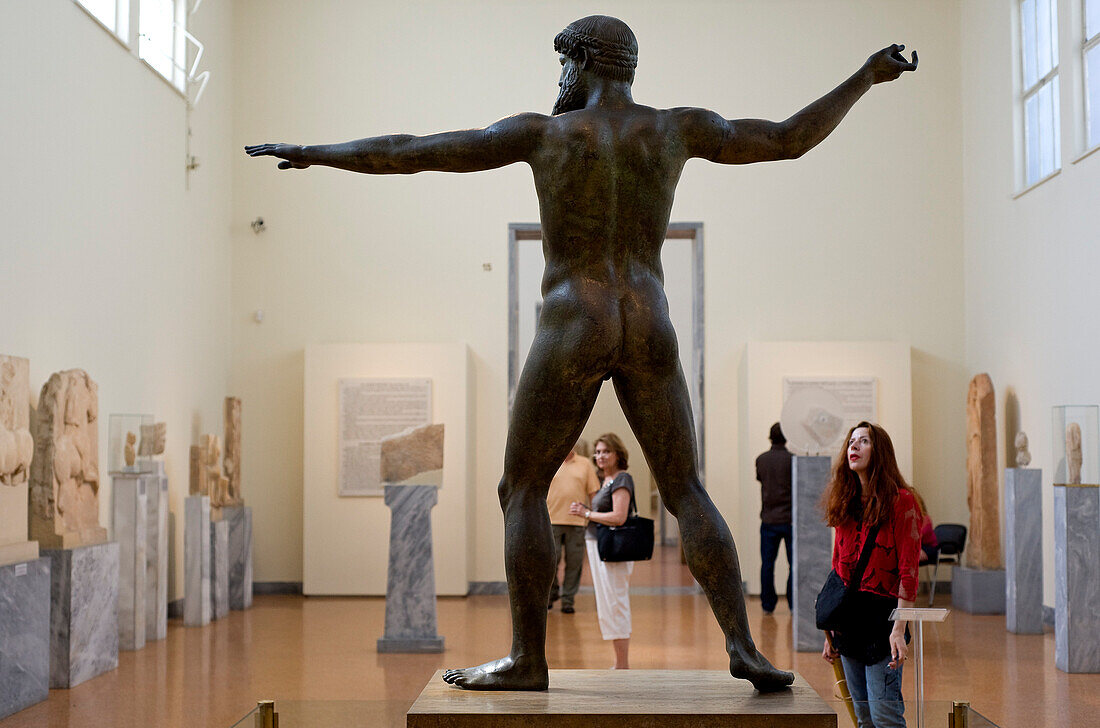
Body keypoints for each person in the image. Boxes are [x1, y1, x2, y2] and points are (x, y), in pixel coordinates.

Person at [246, 15, 916, 691]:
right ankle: (741, 645)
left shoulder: (545, 133)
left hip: (574, 320)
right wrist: (864, 76)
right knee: (686, 488)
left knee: (522, 488)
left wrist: (316, 150)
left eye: (564, 63)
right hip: (648, 318)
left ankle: (527, 658)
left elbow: (416, 149)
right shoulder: (676, 129)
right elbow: (786, 140)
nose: (559, 78)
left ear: (589, 62)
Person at [820, 422, 922, 728]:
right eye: (851, 441)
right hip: (849, 623)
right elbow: (838, 569)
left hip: (883, 622)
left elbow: (908, 571)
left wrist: (898, 628)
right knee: (863, 719)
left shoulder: (901, 502)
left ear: (880, 452)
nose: (853, 447)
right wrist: (832, 631)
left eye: (863, 441)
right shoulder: (845, 503)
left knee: (885, 717)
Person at [568, 433, 635, 669]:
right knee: (608, 605)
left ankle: (622, 664)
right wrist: (587, 510)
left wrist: (586, 514)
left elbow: (618, 517)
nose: (600, 456)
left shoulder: (622, 479)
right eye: (597, 452)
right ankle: (618, 662)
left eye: (605, 451)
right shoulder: (605, 480)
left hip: (613, 550)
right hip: (598, 546)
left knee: (616, 603)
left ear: (618, 454)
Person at [546, 439, 600, 613]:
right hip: (551, 520)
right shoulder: (549, 461)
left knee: (574, 563)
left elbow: (594, 494)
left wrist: (595, 517)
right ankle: (551, 593)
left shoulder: (584, 465)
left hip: (577, 522)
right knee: (550, 562)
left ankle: (568, 599)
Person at [756, 422, 793, 614]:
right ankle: (792, 603)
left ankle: (767, 605)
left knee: (767, 565)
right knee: (792, 565)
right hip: (789, 520)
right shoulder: (792, 460)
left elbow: (762, 481)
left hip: (768, 520)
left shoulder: (761, 460)